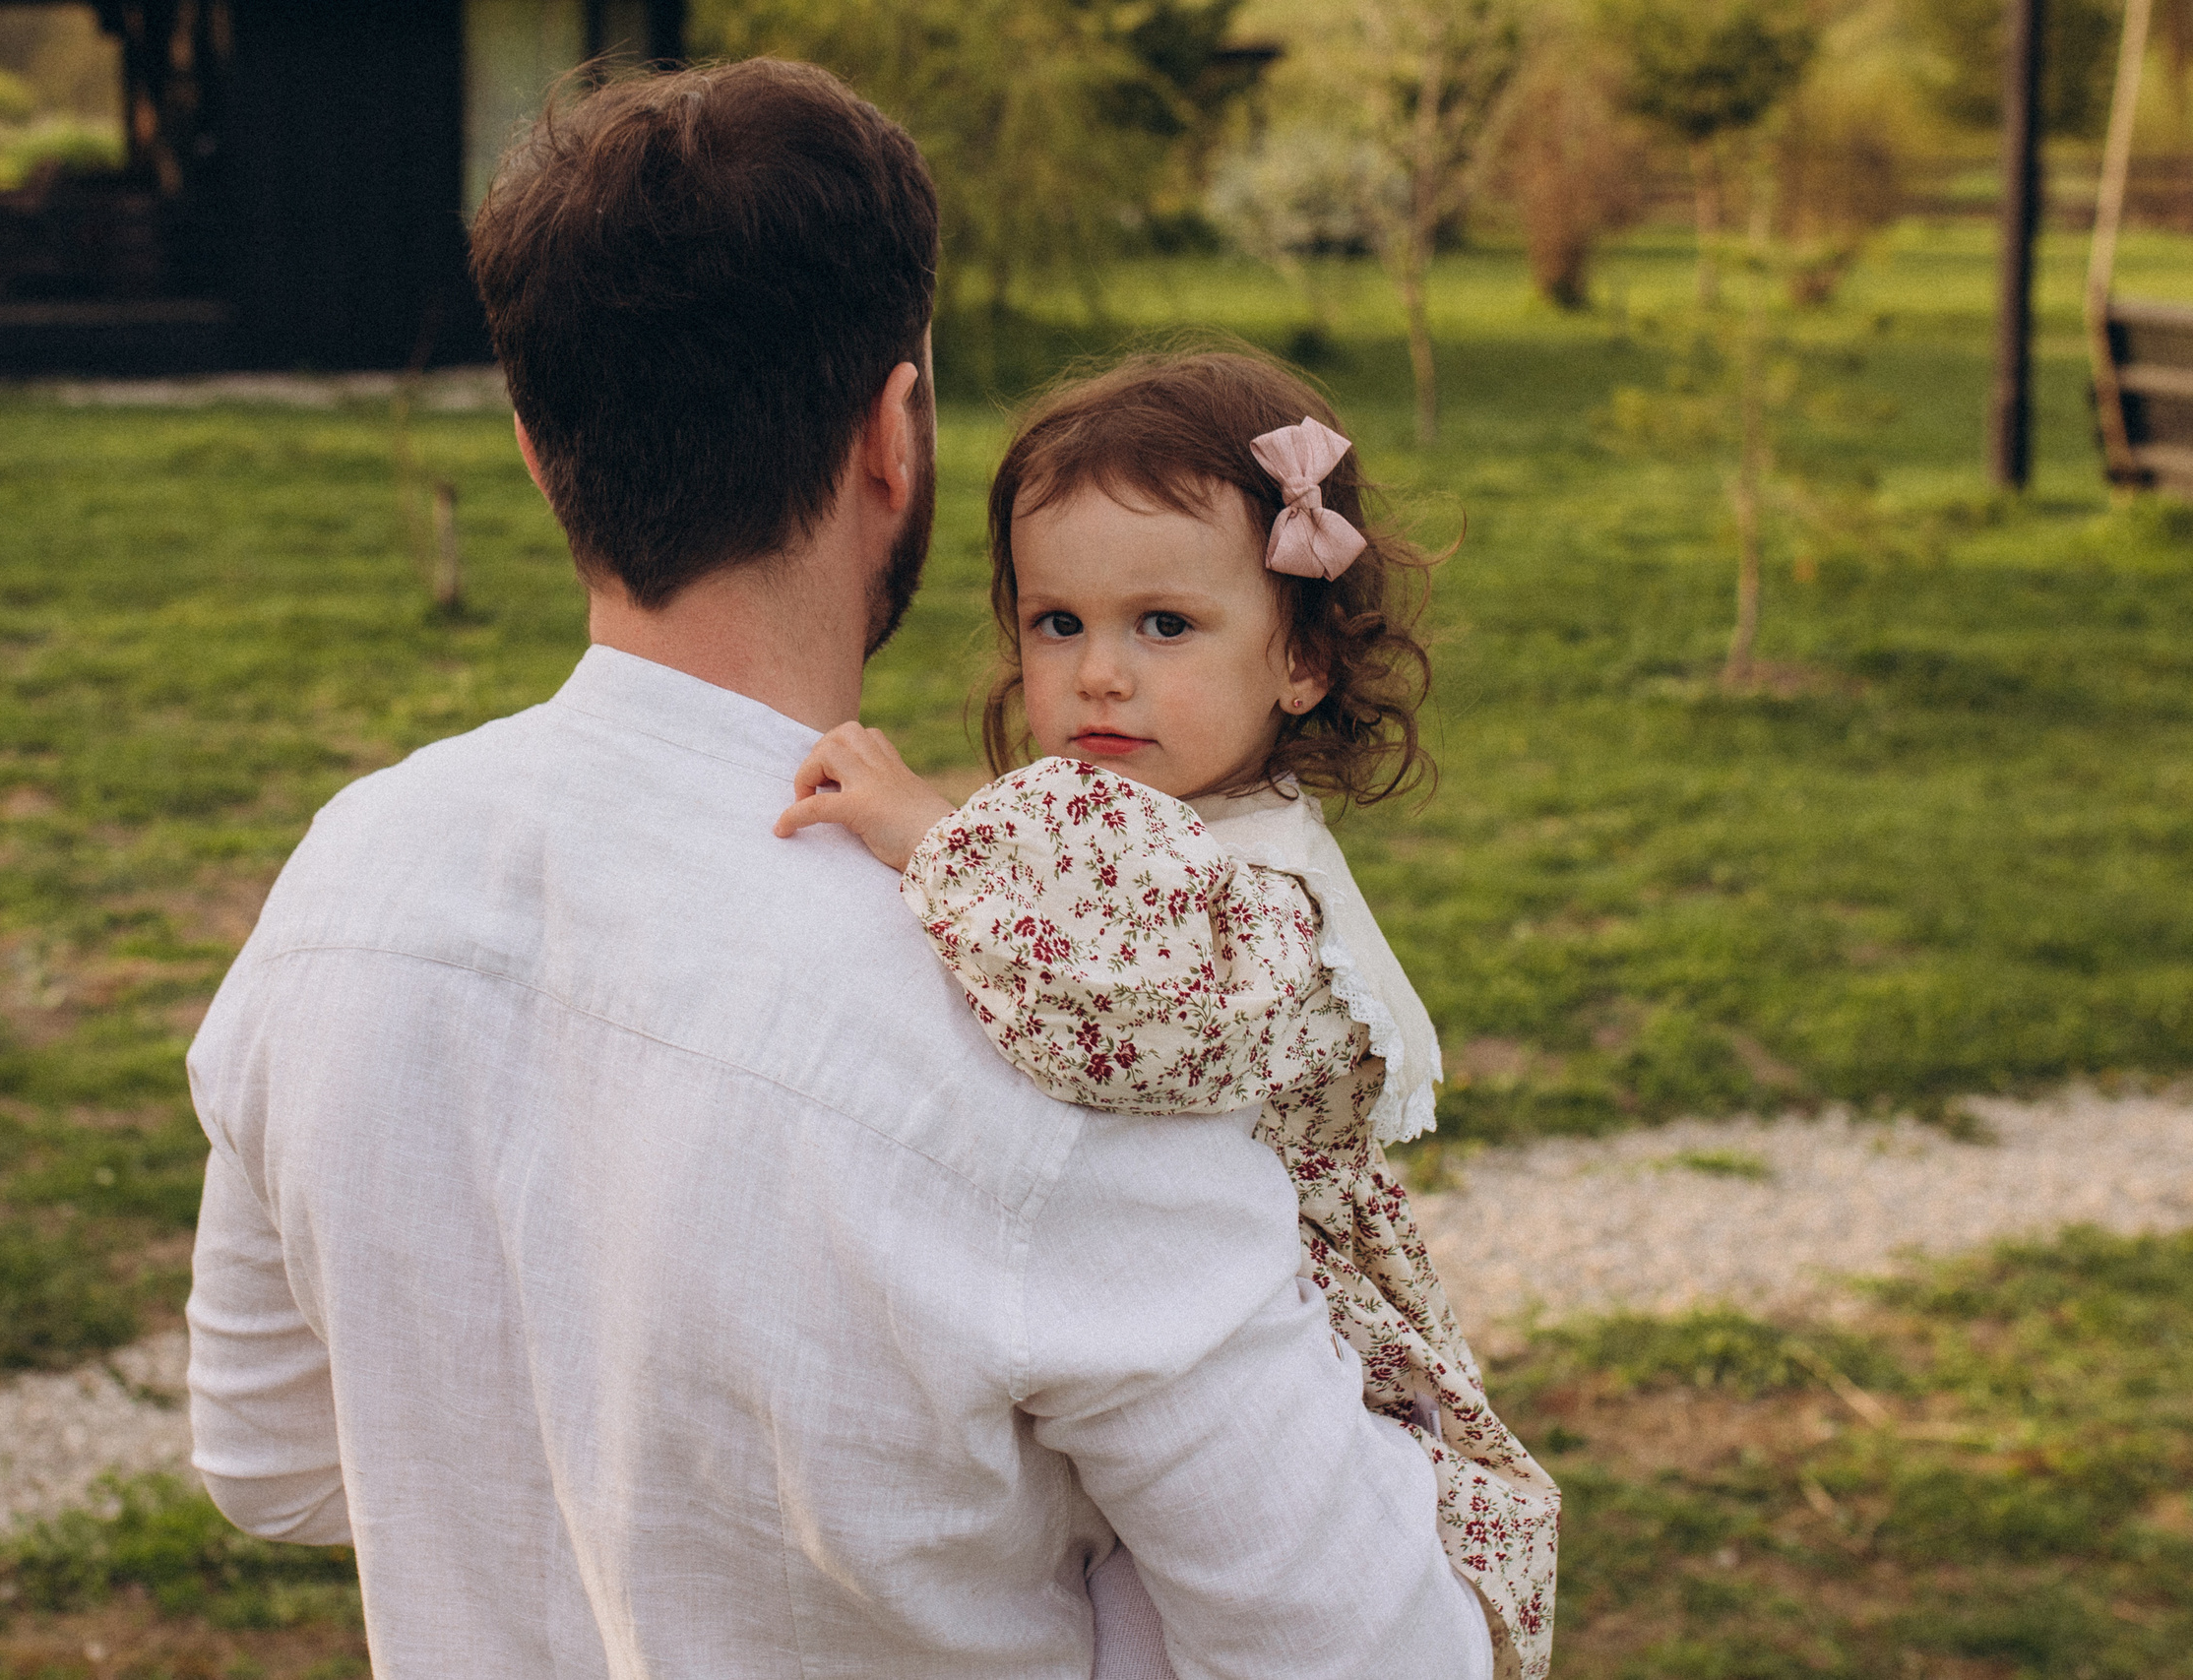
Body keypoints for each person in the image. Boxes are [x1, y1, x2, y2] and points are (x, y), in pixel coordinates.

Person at [182, 59, 1492, 1680]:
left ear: (535, 452)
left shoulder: (348, 880)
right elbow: (1381, 1652)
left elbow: (273, 1465)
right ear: (893, 437)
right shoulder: (1054, 1015)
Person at [777, 350, 1560, 1680]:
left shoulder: (1259, 886)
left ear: (1301, 658)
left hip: (1270, 1362)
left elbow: (1132, 1022)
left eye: (1164, 626)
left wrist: (934, 842)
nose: (1099, 674)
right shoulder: (1143, 832)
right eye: (1057, 623)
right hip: (1143, 1330)